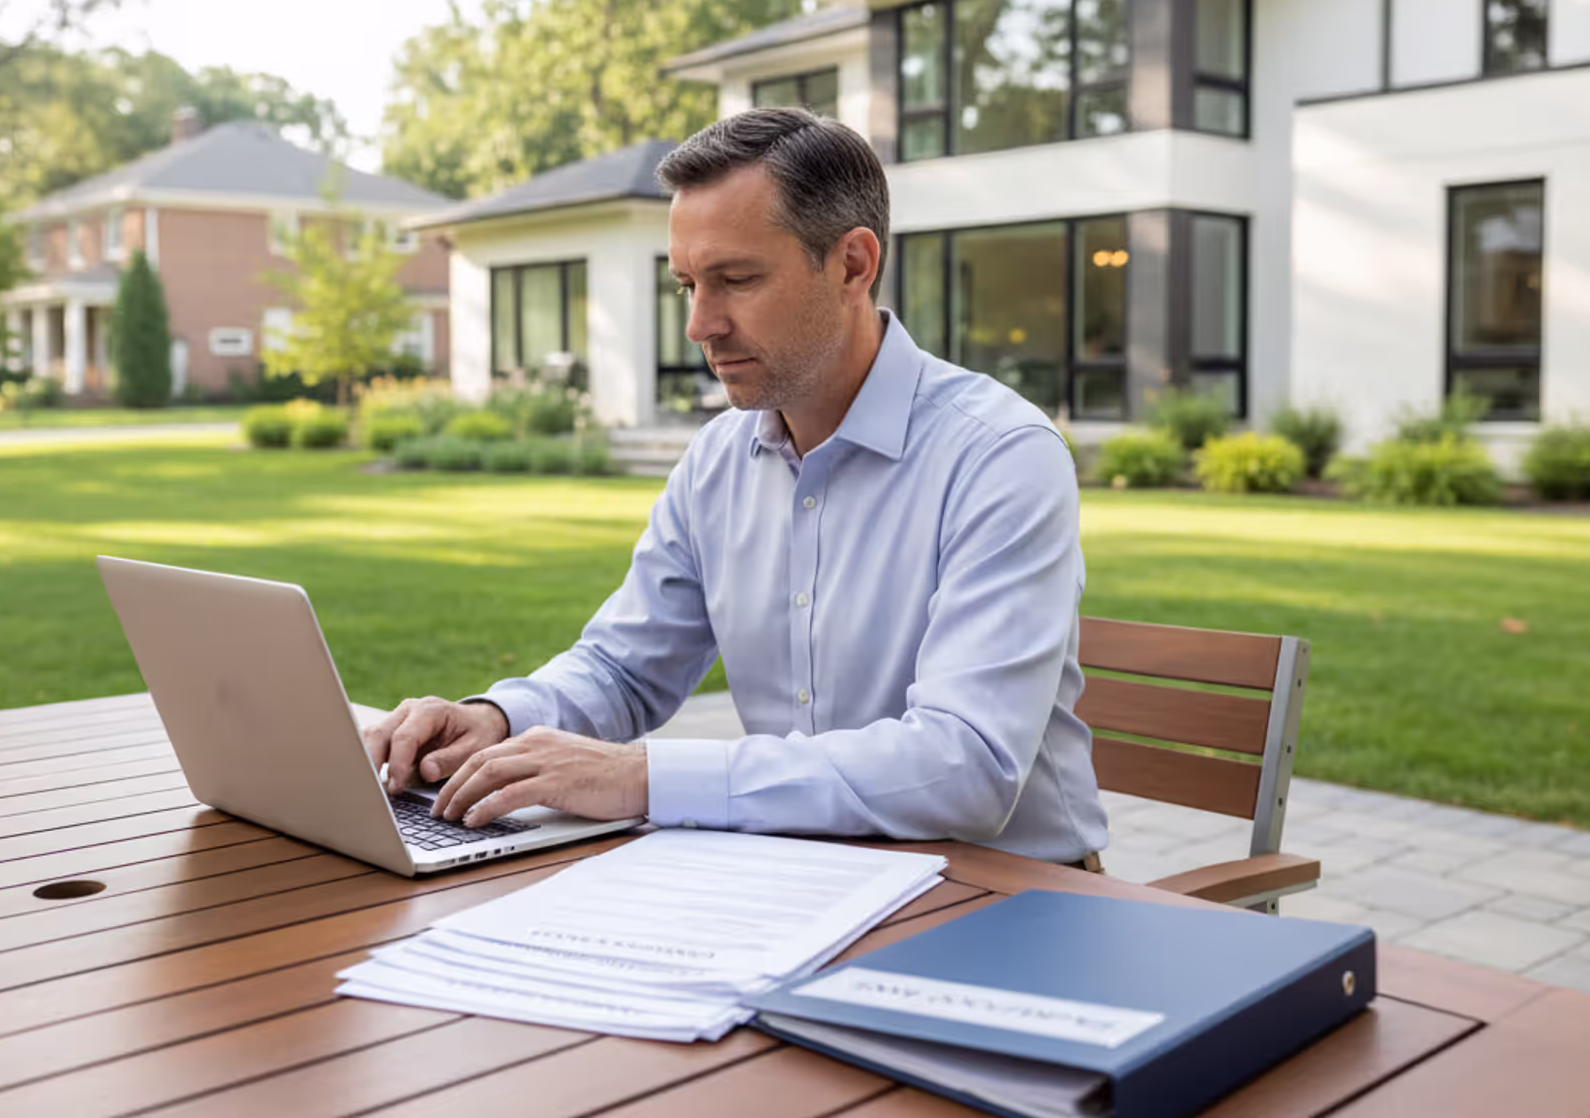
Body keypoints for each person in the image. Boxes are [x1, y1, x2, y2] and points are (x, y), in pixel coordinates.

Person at [363, 107, 1107, 865]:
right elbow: (624, 668)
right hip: (802, 876)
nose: (699, 325)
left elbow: (967, 766)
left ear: (853, 264)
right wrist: (497, 716)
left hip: (1010, 897)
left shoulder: (1000, 456)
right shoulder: (720, 459)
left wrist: (642, 778)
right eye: (687, 284)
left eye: (735, 280)